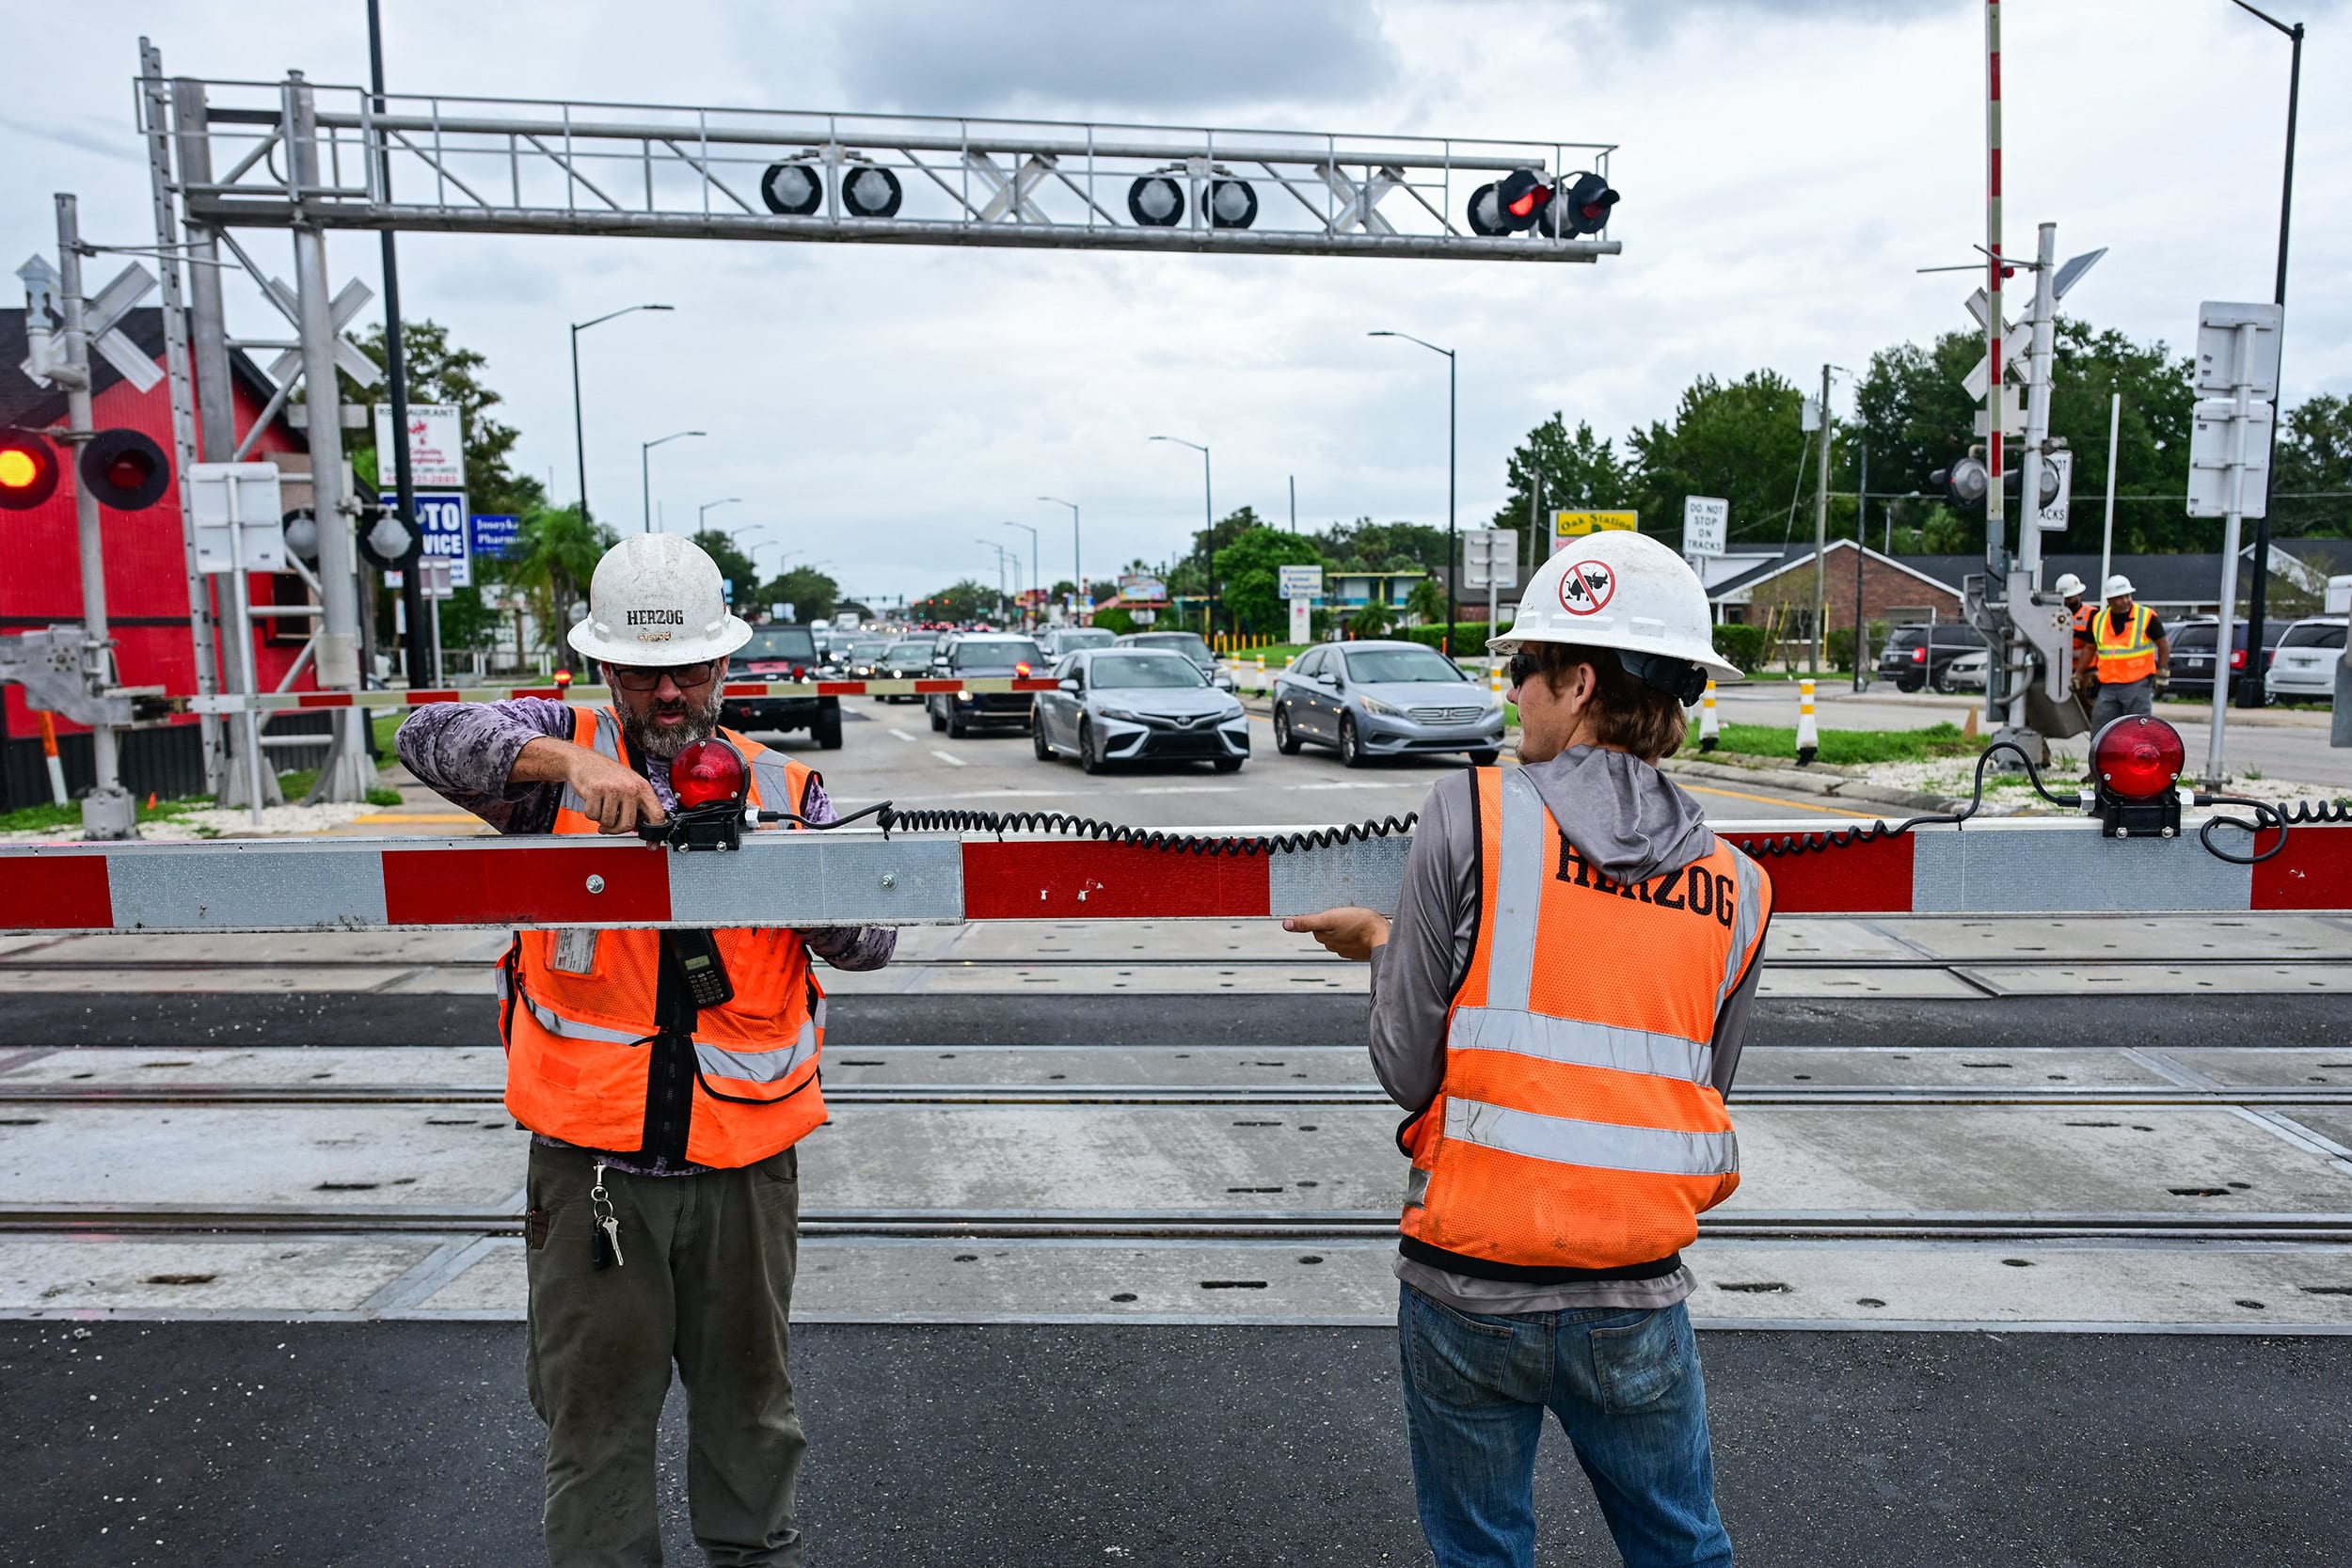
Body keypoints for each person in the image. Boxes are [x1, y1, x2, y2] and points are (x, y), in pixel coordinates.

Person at [398, 532, 894, 1568]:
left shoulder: (783, 787)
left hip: (744, 1166)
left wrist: (797, 876)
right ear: (602, 667)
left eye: (689, 669)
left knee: (752, 1418)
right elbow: (428, 734)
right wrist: (571, 764)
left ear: (725, 664)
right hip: (593, 1170)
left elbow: (873, 942)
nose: (668, 693)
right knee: (594, 1425)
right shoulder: (548, 768)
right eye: (640, 671)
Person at [1284, 532, 1770, 1568]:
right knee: (1683, 1547)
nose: (1511, 700)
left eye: (1522, 673)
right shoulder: (1741, 882)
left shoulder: (1470, 808)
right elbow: (1688, 1089)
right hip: (1636, 1287)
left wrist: (1385, 948)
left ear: (1579, 680)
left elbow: (1409, 1066)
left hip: (1471, 1282)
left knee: (1482, 1554)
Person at [2088, 573, 2171, 728]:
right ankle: (2102, 753)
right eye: (2120, 597)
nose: (2126, 600)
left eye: (2128, 596)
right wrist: (2079, 673)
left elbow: (2163, 644)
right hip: (2107, 684)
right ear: (2110, 600)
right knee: (2102, 730)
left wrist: (2162, 670)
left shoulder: (2146, 616)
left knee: (2138, 729)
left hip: (2137, 683)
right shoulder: (2099, 619)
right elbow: (2090, 647)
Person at [2054, 572, 2097, 709]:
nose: (2067, 602)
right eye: (2064, 598)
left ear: (2079, 595)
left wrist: (2078, 673)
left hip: (2087, 671)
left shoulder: (2092, 614)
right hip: (2061, 671)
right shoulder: (2054, 614)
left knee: (2088, 705)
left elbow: (2091, 645)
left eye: (2070, 598)